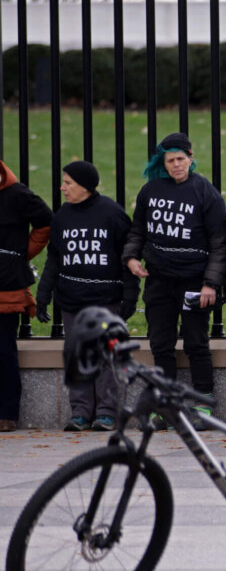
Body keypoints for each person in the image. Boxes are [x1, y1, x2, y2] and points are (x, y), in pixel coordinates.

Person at [123, 133, 226, 428]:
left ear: (191, 159)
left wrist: (211, 283)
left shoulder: (204, 191)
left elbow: (219, 241)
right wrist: (131, 257)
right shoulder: (151, 190)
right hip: (159, 279)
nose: (176, 164)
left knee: (196, 342)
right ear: (164, 162)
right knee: (161, 344)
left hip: (194, 280)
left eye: (181, 159)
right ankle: (164, 407)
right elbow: (137, 230)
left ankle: (203, 405)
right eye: (170, 160)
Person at [36, 161, 137, 432]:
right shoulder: (62, 216)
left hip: (105, 297)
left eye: (68, 183)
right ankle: (80, 412)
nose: (63, 187)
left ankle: (107, 413)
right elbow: (54, 260)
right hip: (72, 299)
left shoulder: (112, 214)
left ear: (84, 186)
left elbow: (127, 257)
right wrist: (43, 295)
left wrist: (130, 294)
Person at [0, 159, 51, 432]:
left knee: (4, 350)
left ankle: (7, 414)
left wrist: (20, 256)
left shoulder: (18, 194)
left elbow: (45, 222)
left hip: (6, 287)